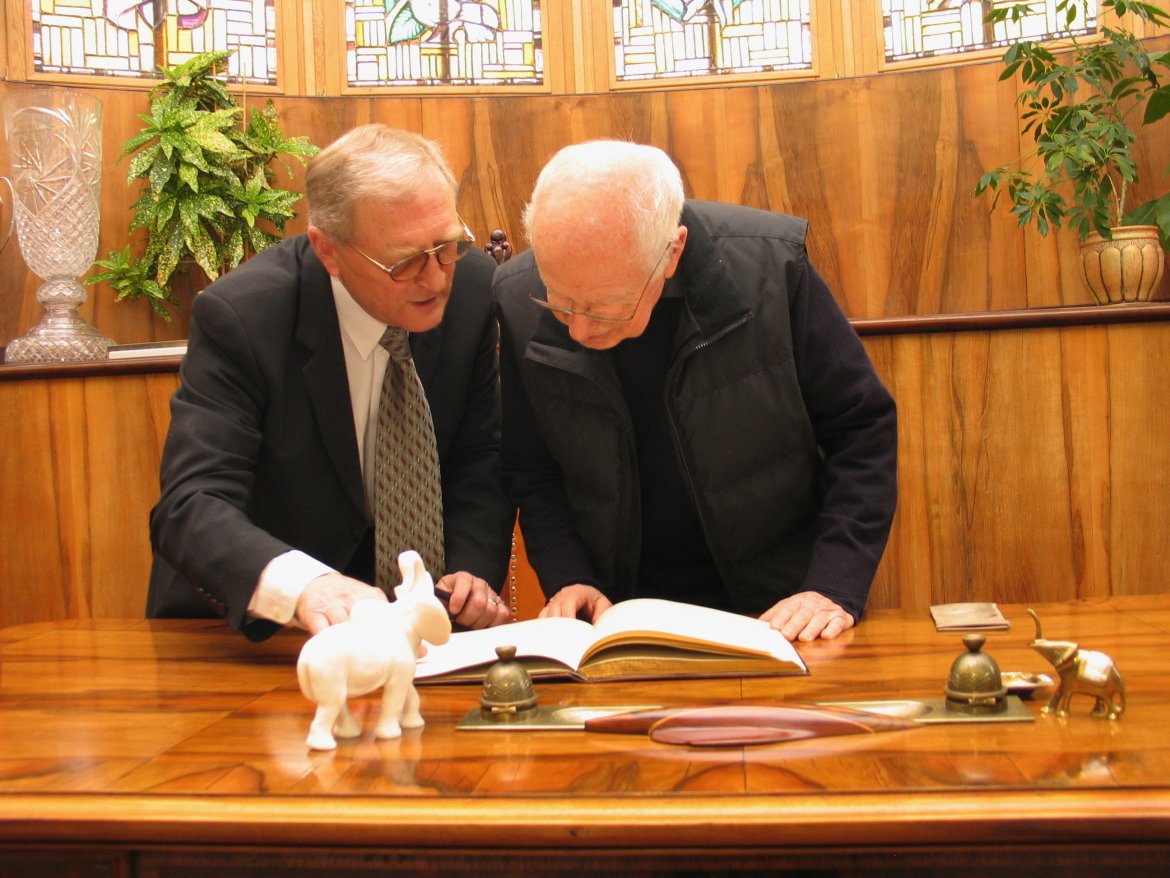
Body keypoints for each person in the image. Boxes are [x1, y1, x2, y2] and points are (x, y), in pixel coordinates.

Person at [493, 140, 897, 642]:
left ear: (672, 252)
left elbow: (861, 429)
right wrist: (569, 575)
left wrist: (833, 583)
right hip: (618, 617)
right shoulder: (515, 296)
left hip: (783, 610)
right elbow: (531, 468)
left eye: (603, 306)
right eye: (558, 298)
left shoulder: (772, 269)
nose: (577, 330)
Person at [147, 124, 514, 641]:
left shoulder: (471, 290)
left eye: (447, 245)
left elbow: (479, 457)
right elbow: (191, 504)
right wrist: (306, 586)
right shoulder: (245, 318)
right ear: (329, 251)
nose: (435, 278)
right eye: (404, 262)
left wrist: (471, 572)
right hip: (255, 634)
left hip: (414, 642)